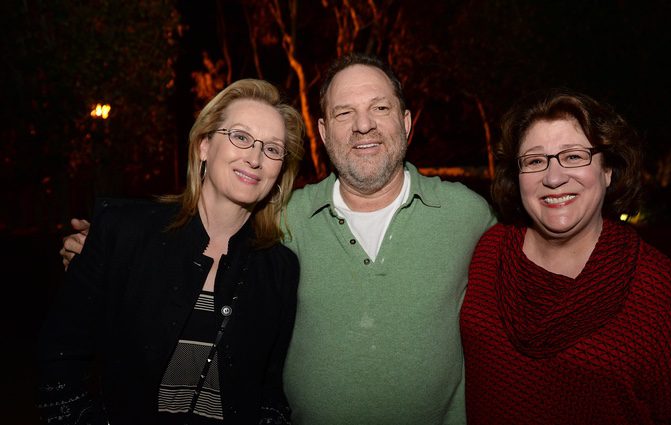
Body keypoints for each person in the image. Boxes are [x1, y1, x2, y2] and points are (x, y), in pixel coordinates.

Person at [59, 53, 497, 424]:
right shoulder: (283, 221)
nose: (364, 125)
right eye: (345, 112)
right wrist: (106, 251)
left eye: (380, 108)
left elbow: (529, 269)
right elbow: (207, 222)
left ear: (405, 122)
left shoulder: (467, 215)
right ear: (324, 133)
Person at [39, 78, 304, 424]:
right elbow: (59, 362)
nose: (255, 158)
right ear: (204, 146)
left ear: (280, 170)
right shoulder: (123, 232)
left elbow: (270, 393)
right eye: (240, 136)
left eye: (272, 149)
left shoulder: (279, 269)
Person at [459, 88, 671, 424]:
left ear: (608, 170)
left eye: (573, 156)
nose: (553, 178)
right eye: (535, 161)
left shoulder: (662, 296)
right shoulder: (488, 253)